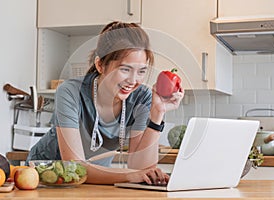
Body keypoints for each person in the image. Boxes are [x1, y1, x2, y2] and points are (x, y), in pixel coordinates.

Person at [26, 21, 184, 185]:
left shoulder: (141, 97)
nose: (133, 80)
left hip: (97, 180)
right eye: (125, 69)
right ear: (100, 65)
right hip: (48, 177)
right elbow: (73, 167)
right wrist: (129, 175)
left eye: (141, 71)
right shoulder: (70, 92)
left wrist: (158, 114)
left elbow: (140, 167)